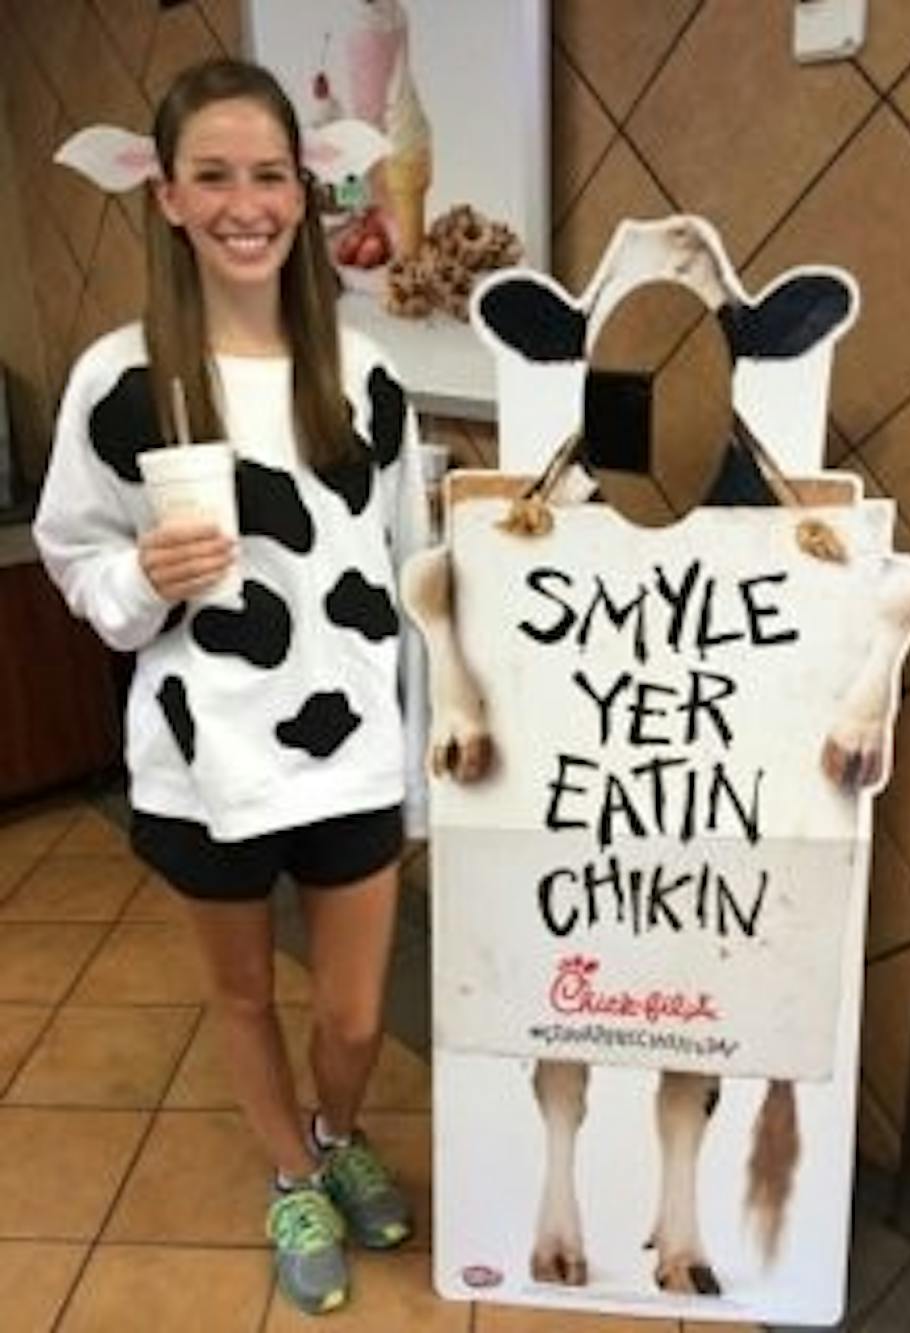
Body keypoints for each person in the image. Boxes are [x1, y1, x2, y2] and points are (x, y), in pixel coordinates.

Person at [33, 57, 429, 1317]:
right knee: (247, 989)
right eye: (213, 175)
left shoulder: (364, 376)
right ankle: (289, 1171)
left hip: (356, 742)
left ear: (307, 192)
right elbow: (74, 554)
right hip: (205, 759)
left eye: (269, 174)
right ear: (164, 195)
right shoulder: (120, 379)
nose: (244, 202)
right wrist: (143, 576)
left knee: (358, 1013)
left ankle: (334, 1126)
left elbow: (413, 563)